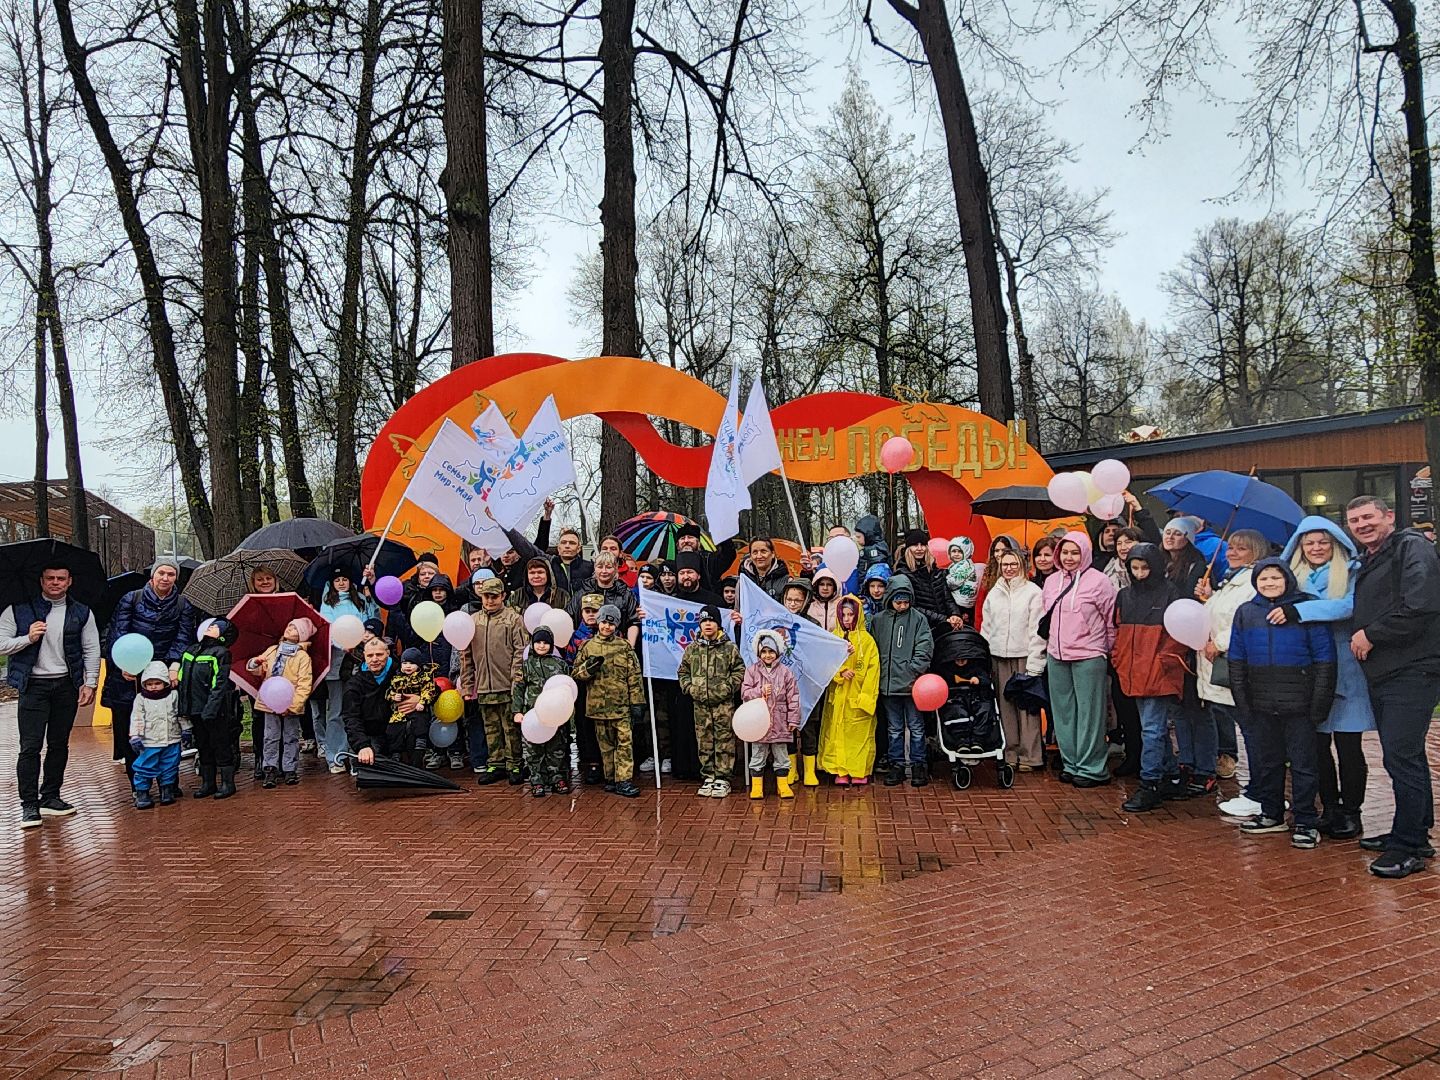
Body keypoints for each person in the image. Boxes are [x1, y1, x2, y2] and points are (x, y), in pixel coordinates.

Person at [1346, 495, 1440, 878]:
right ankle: (1415, 833)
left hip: (1413, 670)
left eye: (1368, 517)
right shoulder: (1373, 557)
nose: (1362, 525)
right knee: (1405, 755)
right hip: (1387, 671)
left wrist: (1371, 634)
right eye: (1354, 521)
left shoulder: (1412, 547)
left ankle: (1407, 849)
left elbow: (1421, 604)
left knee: (1401, 757)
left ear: (1389, 516)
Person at [1273, 517, 1375, 840]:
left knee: (1348, 746)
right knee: (1316, 746)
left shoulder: (1353, 572)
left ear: (1335, 543)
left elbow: (1348, 607)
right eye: (1309, 543)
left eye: (1323, 542)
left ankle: (1352, 811)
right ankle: (1329, 808)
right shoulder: (1290, 576)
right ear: (1300, 546)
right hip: (1308, 670)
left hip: (1346, 669)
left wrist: (1301, 611)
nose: (1316, 548)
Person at [1228, 559, 1336, 849]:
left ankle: (1306, 821)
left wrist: (1319, 704)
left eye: (1275, 577)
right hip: (1261, 703)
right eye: (1263, 578)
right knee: (1268, 762)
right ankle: (1271, 814)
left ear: (1287, 579)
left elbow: (1325, 659)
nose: (1269, 583)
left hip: (1300, 705)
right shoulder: (1246, 612)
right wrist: (1243, 701)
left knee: (1303, 765)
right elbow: (1237, 660)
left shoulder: (1306, 609)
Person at [1, 562, 99, 827]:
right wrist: (28, 638)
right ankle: (29, 805)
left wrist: (90, 683)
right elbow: (1, 644)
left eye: (61, 578)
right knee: (30, 747)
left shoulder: (81, 612)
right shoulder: (18, 610)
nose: (55, 583)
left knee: (59, 744)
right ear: (41, 581)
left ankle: (51, 796)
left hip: (65, 685)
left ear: (69, 581)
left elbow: (91, 648)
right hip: (33, 686)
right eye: (50, 578)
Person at [103, 556, 198, 773]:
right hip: (129, 670)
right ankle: (136, 778)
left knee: (165, 723)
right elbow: (118, 632)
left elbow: (183, 637)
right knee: (130, 723)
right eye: (161, 573)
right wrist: (124, 664)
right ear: (153, 575)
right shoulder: (131, 599)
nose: (165, 578)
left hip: (164, 670)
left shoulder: (183, 605)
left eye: (171, 574)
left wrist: (174, 664)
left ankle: (167, 779)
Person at [1195, 530, 1267, 815]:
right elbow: (1222, 614)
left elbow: (1247, 619)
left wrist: (1221, 643)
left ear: (1256, 551)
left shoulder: (1253, 582)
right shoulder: (1232, 579)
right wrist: (1210, 598)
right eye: (1231, 547)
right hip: (1220, 664)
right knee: (1249, 729)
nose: (1232, 553)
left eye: (1241, 548)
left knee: (1253, 731)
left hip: (1238, 666)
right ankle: (1259, 790)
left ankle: (1261, 793)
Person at [1112, 545, 1188, 812]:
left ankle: (1150, 783)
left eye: (1145, 568)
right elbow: (1118, 630)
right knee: (1153, 728)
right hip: (1133, 670)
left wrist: (1163, 661)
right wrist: (1119, 659)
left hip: (1157, 671)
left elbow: (1179, 636)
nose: (1140, 573)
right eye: (1135, 568)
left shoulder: (1170, 593)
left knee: (1152, 730)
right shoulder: (1124, 596)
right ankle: (1170, 775)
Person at [1042, 532, 1117, 788]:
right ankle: (1071, 763)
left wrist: (1105, 649)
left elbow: (1110, 620)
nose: (1069, 557)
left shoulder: (1100, 581)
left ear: (1085, 553)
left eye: (1075, 552)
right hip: (1057, 654)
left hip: (1089, 654)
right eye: (1065, 552)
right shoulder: (1051, 581)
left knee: (1090, 713)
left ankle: (1092, 768)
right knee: (1064, 712)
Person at [980, 546, 1046, 772]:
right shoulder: (994, 593)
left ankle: (1031, 755)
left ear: (1022, 566)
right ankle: (1010, 752)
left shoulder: (1033, 592)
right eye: (1005, 564)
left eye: (1013, 564)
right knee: (1005, 707)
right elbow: (987, 627)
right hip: (999, 656)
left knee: (1027, 709)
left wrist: (1035, 663)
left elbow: (1037, 630)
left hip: (1024, 655)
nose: (1008, 568)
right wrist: (984, 656)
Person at [457, 577, 527, 785]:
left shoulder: (513, 619)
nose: (490, 600)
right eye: (486, 596)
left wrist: (517, 681)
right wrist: (468, 685)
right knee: (491, 727)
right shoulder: (473, 621)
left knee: (510, 727)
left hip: (507, 684)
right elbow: (465, 655)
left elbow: (520, 652)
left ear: (503, 596)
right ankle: (496, 763)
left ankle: (514, 763)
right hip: (484, 685)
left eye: (494, 596)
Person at [572, 603, 644, 797]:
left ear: (617, 625)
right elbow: (576, 674)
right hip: (598, 708)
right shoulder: (588, 646)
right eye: (604, 622)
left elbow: (634, 677)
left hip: (621, 707)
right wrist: (589, 668)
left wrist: (637, 702)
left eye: (611, 624)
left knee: (624, 744)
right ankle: (611, 778)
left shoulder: (624, 647)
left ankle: (624, 780)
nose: (607, 627)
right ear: (598, 622)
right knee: (606, 747)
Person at [677, 604, 747, 798]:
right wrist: (690, 688)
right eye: (704, 621)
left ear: (719, 624)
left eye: (712, 621)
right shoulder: (692, 649)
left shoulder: (729, 648)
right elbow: (683, 672)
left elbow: (739, 671)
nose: (708, 624)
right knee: (704, 740)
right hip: (700, 705)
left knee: (724, 740)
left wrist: (727, 688)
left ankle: (723, 778)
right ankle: (709, 776)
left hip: (723, 705)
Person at [872, 574, 935, 787]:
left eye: (906, 602)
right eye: (898, 601)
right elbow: (872, 649)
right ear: (890, 598)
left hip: (911, 685)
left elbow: (925, 647)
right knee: (894, 728)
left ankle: (918, 764)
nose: (902, 605)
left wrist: (913, 669)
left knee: (916, 727)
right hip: (888, 685)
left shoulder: (918, 619)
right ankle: (896, 764)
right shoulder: (879, 620)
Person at [317, 568, 375, 772]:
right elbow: (327, 628)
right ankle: (336, 756)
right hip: (337, 664)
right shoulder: (328, 602)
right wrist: (343, 643)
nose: (341, 583)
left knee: (360, 710)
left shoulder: (361, 599)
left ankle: (358, 755)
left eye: (345, 579)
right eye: (337, 580)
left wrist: (370, 596)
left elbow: (372, 620)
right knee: (337, 711)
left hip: (360, 661)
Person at [247, 618, 316, 788]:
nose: (289, 629)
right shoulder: (273, 650)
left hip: (290, 703)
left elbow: (304, 684)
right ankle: (270, 768)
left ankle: (290, 769)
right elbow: (260, 671)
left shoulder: (302, 656)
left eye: (295, 628)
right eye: (289, 626)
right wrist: (256, 663)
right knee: (270, 736)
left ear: (301, 635)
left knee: (291, 736)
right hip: (269, 701)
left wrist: (293, 706)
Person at [818, 595, 880, 784]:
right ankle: (840, 770)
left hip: (858, 696)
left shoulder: (867, 641)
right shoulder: (834, 638)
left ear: (858, 615)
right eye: (843, 615)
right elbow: (826, 664)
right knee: (836, 735)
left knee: (859, 736)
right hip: (838, 697)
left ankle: (859, 770)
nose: (846, 619)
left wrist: (865, 697)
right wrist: (841, 672)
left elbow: (873, 671)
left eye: (850, 614)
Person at [177, 617, 239, 799]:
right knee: (202, 745)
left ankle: (228, 783)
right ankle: (208, 783)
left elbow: (219, 684)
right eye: (211, 625)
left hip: (215, 711)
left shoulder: (221, 653)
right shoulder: (191, 650)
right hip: (194, 709)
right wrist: (184, 707)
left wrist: (211, 709)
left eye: (217, 626)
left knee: (221, 744)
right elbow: (182, 680)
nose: (211, 626)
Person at [740, 629, 800, 799]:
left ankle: (783, 785)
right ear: (759, 652)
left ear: (778, 652)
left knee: (781, 755)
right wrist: (759, 691)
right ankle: (757, 787)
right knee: (758, 754)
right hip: (759, 722)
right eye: (764, 651)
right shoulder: (752, 671)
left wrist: (793, 719)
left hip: (780, 722)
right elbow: (744, 692)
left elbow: (793, 697)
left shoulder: (786, 672)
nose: (767, 655)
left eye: (771, 651)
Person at [514, 626, 572, 796]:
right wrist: (517, 711)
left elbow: (567, 688)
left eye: (545, 643)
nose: (541, 646)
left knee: (557, 748)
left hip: (555, 715)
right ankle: (537, 780)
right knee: (533, 750)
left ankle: (557, 778)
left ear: (551, 645)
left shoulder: (560, 664)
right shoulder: (526, 666)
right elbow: (518, 689)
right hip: (533, 715)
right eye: (538, 642)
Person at [343, 637, 412, 763]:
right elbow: (351, 717)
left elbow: (431, 688)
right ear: (364, 656)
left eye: (379, 654)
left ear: (388, 653)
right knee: (368, 761)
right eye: (370, 655)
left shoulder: (403, 673)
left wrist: (418, 699)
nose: (374, 659)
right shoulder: (354, 684)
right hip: (371, 735)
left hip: (400, 731)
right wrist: (362, 745)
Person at [128, 661, 186, 809]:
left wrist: (186, 729)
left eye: (157, 683)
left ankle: (167, 791)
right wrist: (135, 735)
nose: (153, 687)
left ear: (165, 682)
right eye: (149, 684)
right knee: (144, 767)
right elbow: (137, 717)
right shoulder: (141, 699)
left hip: (171, 738)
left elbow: (180, 714)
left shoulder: (173, 696)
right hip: (149, 741)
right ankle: (142, 793)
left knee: (170, 766)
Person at [892, 529, 960, 633]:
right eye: (915, 545)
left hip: (945, 625)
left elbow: (948, 598)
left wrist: (955, 615)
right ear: (908, 548)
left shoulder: (936, 571)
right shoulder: (903, 574)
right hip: (921, 628)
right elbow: (912, 607)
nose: (919, 549)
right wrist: (942, 619)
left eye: (923, 545)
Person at [566, 553, 640, 646]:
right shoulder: (582, 592)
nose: (604, 571)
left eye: (608, 567)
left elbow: (633, 622)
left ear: (615, 569)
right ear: (595, 568)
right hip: (585, 646)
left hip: (616, 646)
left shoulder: (625, 594)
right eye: (600, 567)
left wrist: (630, 646)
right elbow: (568, 618)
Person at [385, 648, 439, 764]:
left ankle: (421, 742)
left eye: (412, 663)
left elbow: (429, 690)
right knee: (394, 726)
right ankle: (395, 752)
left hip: (418, 708)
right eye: (405, 663)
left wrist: (422, 701)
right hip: (400, 710)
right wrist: (393, 696)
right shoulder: (396, 678)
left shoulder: (424, 677)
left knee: (420, 721)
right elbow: (389, 691)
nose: (408, 666)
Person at [1161, 517, 1209, 598]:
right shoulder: (1159, 559)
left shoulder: (1196, 565)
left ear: (1188, 540)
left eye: (1177, 534)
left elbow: (1188, 594)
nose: (1170, 537)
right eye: (1167, 532)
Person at [739, 537, 791, 601]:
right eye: (755, 552)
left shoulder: (786, 581)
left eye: (763, 551)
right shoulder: (743, 581)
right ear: (751, 556)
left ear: (772, 554)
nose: (759, 556)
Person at [550, 525, 594, 595]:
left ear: (578, 549)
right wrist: (546, 521)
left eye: (572, 543)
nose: (567, 546)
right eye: (563, 542)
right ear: (558, 548)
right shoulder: (550, 565)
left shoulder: (590, 567)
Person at [946, 537, 979, 622]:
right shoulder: (955, 565)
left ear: (966, 552)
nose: (956, 554)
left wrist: (945, 580)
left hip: (963, 601)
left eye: (960, 551)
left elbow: (955, 582)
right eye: (954, 551)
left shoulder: (965, 565)